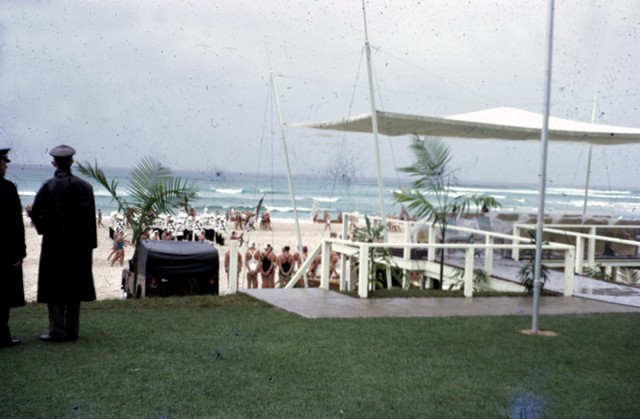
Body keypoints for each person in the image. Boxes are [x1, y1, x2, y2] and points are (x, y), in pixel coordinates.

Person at [28, 144, 97, 343]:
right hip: (78, 247)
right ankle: (72, 330)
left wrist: (46, 229)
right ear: (72, 162)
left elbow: (35, 213)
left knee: (54, 287)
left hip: (54, 245)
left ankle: (57, 331)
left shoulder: (48, 186)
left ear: (53, 163)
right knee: (74, 287)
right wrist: (90, 245)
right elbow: (90, 220)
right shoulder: (85, 186)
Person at [0, 148, 26, 348]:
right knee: (3, 297)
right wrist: (19, 253)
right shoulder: (7, 188)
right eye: (3, 162)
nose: (6, 165)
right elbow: (16, 225)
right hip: (4, 253)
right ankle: (3, 335)